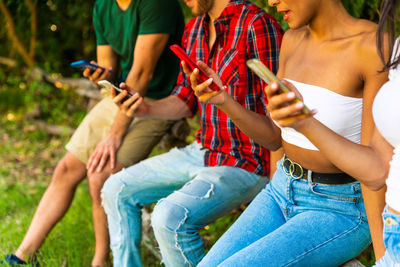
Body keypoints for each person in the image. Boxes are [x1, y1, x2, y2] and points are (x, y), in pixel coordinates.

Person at [189, 0, 390, 266]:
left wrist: (385, 258)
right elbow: (275, 137)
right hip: (282, 189)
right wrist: (223, 100)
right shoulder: (292, 40)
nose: (271, 1)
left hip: (340, 206)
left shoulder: (373, 46)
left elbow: (375, 170)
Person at [2, 0, 184, 266]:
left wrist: (114, 135)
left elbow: (142, 74)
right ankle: (21, 257)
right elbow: (110, 67)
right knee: (66, 168)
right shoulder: (104, 6)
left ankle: (100, 261)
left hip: (157, 102)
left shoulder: (155, 4)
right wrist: (100, 74)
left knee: (100, 174)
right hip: (120, 96)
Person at [101, 0, 283, 266]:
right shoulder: (194, 29)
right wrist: (144, 107)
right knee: (116, 188)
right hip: (204, 150)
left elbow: (279, 119)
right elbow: (185, 99)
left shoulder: (257, 24)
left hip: (248, 161)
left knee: (168, 218)